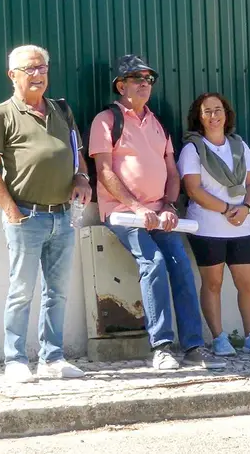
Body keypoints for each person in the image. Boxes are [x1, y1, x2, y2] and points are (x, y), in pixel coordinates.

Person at [89, 54, 225, 369]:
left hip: (159, 214)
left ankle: (193, 347)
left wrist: (167, 205)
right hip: (123, 214)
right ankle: (162, 347)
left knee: (179, 265)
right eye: (137, 79)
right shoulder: (107, 121)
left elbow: (172, 173)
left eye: (148, 79)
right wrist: (137, 207)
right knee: (154, 263)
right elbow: (104, 172)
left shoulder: (156, 123)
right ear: (121, 85)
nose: (144, 84)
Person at [0, 44, 90, 382]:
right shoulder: (0, 114)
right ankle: (15, 360)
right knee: (22, 290)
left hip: (62, 216)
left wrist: (82, 178)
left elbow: (77, 154)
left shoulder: (61, 111)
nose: (39, 75)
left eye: (43, 68)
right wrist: (11, 211)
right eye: (30, 69)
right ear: (12, 75)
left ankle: (52, 359)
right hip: (26, 217)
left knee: (57, 291)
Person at [178, 92, 250, 357]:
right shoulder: (192, 149)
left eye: (218, 110)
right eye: (207, 111)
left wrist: (245, 208)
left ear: (226, 114)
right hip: (208, 227)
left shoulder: (239, 146)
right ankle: (219, 339)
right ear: (199, 117)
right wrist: (228, 208)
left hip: (240, 226)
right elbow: (193, 189)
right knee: (213, 284)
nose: (213, 116)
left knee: (248, 282)